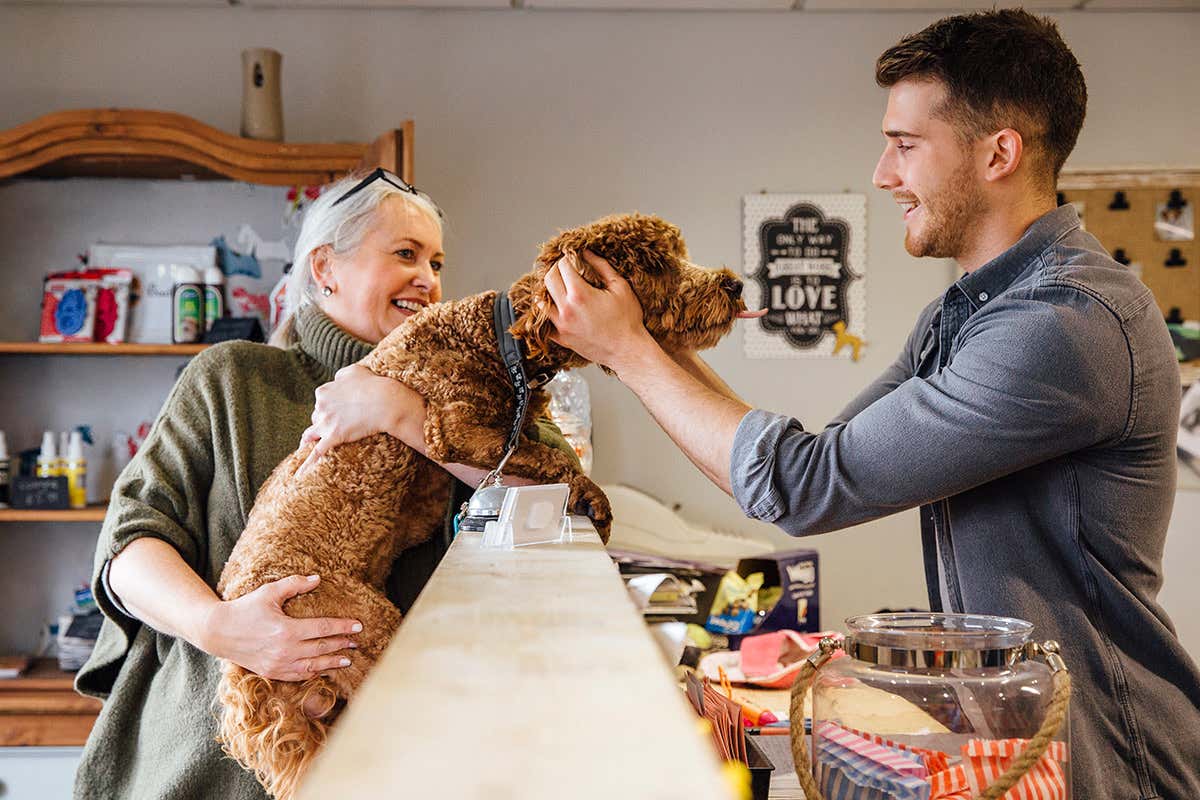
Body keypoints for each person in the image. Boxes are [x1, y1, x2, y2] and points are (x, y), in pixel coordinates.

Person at [542, 10, 1200, 799]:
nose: (885, 174)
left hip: (1111, 758)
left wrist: (631, 352)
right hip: (1018, 742)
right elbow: (814, 460)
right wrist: (653, 344)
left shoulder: (1065, 325)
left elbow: (802, 486)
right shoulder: (968, 315)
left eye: (905, 144)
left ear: (999, 153)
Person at [74, 168, 577, 799]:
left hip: (410, 760)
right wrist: (218, 626)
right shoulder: (233, 380)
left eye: (437, 261)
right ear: (324, 268)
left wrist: (401, 415)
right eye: (405, 254)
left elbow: (559, 511)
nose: (428, 277)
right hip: (215, 765)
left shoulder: (478, 398)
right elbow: (128, 547)